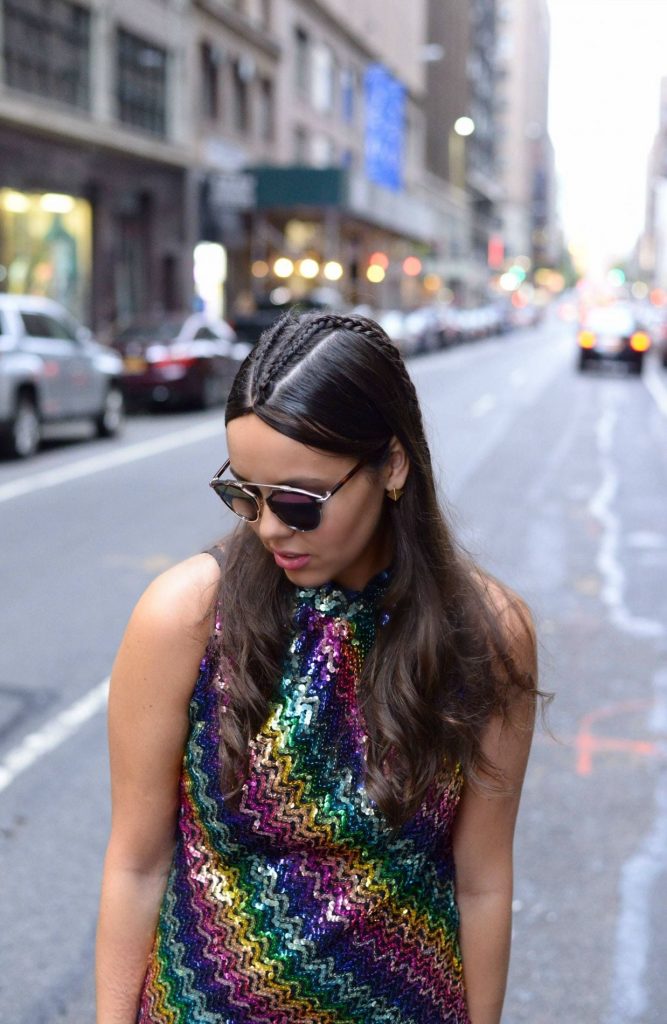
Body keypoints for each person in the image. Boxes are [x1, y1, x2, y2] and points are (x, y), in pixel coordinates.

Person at [96, 310, 539, 1024]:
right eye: (243, 493)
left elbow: (483, 880)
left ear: (391, 465)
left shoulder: (486, 633)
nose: (268, 527)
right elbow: (136, 866)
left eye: (299, 503)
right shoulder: (183, 616)